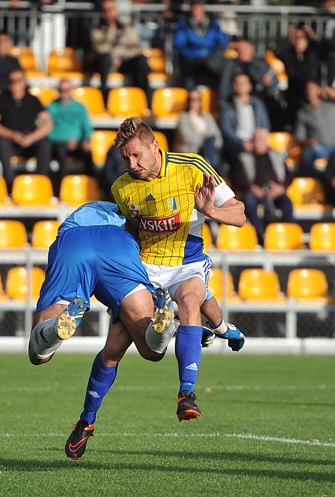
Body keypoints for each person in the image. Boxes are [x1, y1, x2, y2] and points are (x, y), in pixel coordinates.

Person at [111, 117, 247, 422]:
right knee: (115, 346)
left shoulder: (193, 167)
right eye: (126, 157)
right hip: (146, 269)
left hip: (187, 263)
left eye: (137, 155)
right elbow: (129, 230)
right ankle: (220, 328)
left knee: (188, 301)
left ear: (155, 146)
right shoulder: (121, 187)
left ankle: (186, 393)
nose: (132, 164)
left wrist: (210, 210)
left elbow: (240, 215)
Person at [27, 201, 179, 459]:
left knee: (39, 354)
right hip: (117, 246)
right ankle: (163, 325)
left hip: (73, 243)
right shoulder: (149, 216)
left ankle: (85, 420)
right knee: (150, 350)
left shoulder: (94, 206)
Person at [0, 69, 53, 187]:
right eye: (11, 81)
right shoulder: (1, 99)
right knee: (2, 144)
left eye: (18, 80)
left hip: (30, 141)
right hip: (10, 142)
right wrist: (12, 135)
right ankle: (10, 185)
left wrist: (33, 137)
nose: (14, 83)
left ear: (24, 82)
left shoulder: (32, 100)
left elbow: (47, 122)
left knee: (45, 144)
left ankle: (41, 183)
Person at [231, 127, 294, 244]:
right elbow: (237, 178)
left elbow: (289, 175)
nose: (258, 142)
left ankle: (288, 234)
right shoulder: (244, 157)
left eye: (261, 139)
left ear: (267, 141)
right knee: (249, 200)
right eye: (256, 139)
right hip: (254, 192)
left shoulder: (276, 155)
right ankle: (259, 235)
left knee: (286, 202)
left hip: (274, 192)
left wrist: (281, 188)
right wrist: (251, 188)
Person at [89, 0, 152, 103]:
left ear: (117, 10)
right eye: (106, 10)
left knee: (141, 60)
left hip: (123, 61)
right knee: (105, 58)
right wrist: (110, 33)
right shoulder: (96, 30)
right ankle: (103, 94)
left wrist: (120, 57)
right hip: (104, 64)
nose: (109, 13)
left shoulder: (128, 27)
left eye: (111, 9)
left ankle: (142, 96)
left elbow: (134, 48)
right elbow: (99, 48)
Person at [212, 37, 281, 130]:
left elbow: (274, 82)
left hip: (258, 103)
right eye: (240, 48)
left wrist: (267, 83)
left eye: (245, 47)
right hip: (231, 104)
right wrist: (227, 46)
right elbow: (212, 64)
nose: (242, 50)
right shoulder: (229, 64)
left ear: (252, 49)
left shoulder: (261, 64)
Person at [293, 80, 335, 177]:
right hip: (319, 148)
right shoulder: (303, 113)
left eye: (313, 89)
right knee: (307, 154)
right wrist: (308, 142)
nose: (310, 92)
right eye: (308, 90)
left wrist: (334, 93)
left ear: (319, 90)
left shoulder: (331, 104)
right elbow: (299, 137)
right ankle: (312, 181)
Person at [172, 0, 228, 90]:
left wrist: (221, 22)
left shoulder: (213, 23)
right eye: (194, 5)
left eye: (199, 5)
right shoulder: (184, 23)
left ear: (204, 6)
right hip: (192, 60)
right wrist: (194, 55)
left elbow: (223, 43)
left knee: (225, 67)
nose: (196, 8)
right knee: (187, 67)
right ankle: (191, 95)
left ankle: (221, 98)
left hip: (210, 60)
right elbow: (178, 44)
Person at [46, 79, 94, 191]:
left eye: (67, 90)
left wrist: (86, 140)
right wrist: (64, 140)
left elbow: (87, 127)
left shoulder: (80, 107)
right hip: (59, 143)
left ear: (71, 91)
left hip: (77, 143)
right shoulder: (51, 107)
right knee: (61, 153)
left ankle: (91, 187)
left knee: (88, 153)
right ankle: (63, 188)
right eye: (61, 90)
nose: (64, 93)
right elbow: (48, 130)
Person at [219, 72, 271, 171]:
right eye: (238, 83)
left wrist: (258, 140)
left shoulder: (258, 104)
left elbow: (265, 126)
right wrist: (243, 143)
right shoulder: (227, 106)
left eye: (243, 83)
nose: (241, 85)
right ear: (233, 86)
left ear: (250, 86)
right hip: (237, 143)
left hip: (256, 140)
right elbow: (227, 130)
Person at [274, 24, 323, 127]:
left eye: (302, 38)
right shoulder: (289, 54)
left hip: (312, 93)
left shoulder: (313, 52)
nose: (298, 41)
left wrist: (313, 35)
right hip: (295, 93)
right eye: (295, 38)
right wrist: (289, 37)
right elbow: (278, 51)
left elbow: (324, 46)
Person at [174, 88, 223, 171]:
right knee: (211, 153)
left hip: (208, 149)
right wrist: (205, 144)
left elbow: (217, 136)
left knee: (212, 142)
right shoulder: (183, 117)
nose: (192, 102)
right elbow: (188, 138)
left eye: (195, 99)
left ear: (201, 101)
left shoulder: (207, 116)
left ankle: (208, 165)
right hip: (192, 150)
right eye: (190, 99)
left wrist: (210, 145)